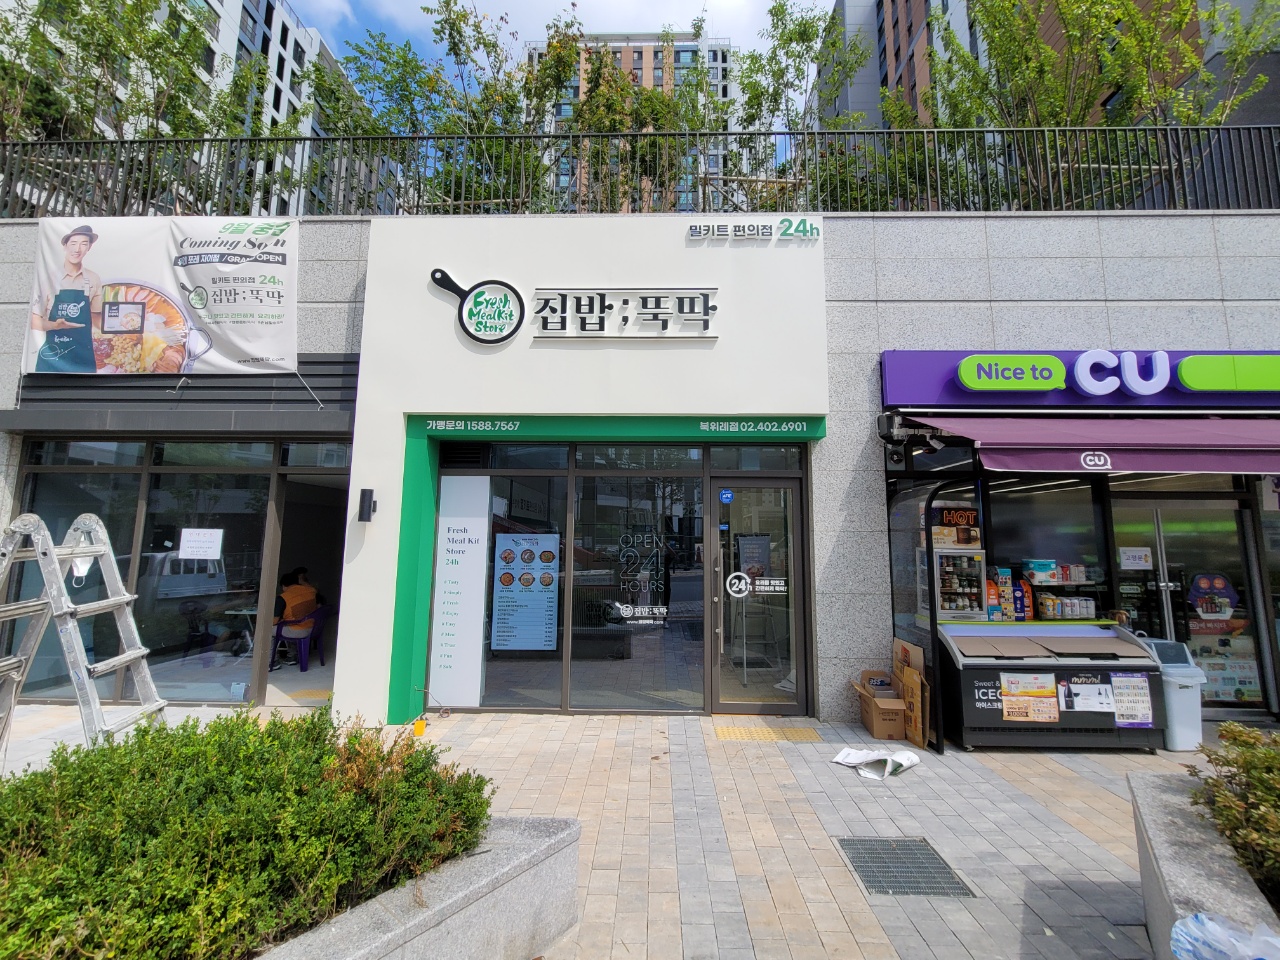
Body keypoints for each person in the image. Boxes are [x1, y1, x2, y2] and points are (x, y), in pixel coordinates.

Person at [30, 224, 104, 373]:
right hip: (53, 357)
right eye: (73, 243)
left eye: (84, 244)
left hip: (83, 357)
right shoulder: (49, 278)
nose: (77, 249)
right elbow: (33, 320)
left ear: (89, 248)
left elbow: (96, 319)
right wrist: (55, 325)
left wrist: (120, 324)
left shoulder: (93, 279)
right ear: (65, 246)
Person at [270, 571, 318, 669]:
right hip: (313, 628)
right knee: (289, 623)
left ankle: (271, 662)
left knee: (265, 631)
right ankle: (292, 656)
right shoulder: (311, 591)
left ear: (284, 586)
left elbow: (274, 622)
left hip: (298, 631)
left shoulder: (283, 598)